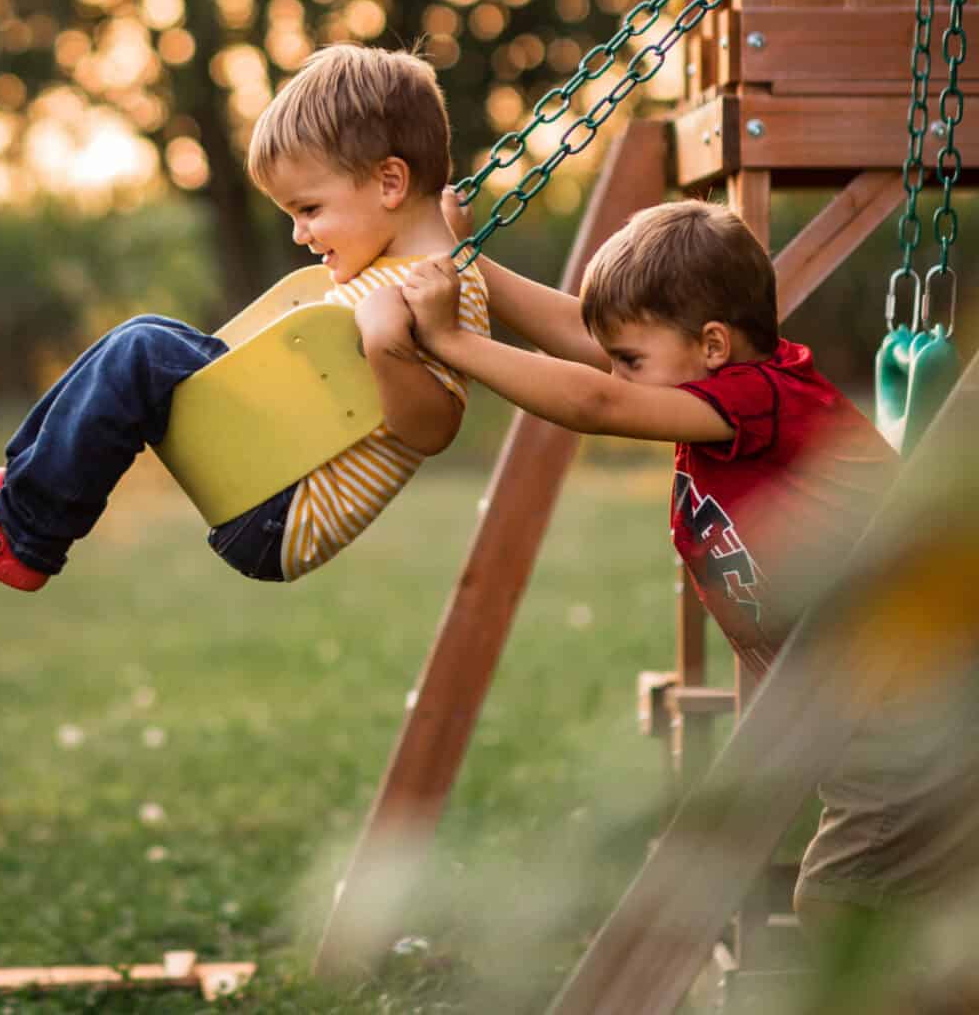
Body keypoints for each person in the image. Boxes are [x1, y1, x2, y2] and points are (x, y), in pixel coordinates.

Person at [400, 195, 979, 930]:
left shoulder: (764, 399)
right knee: (891, 918)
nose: (616, 372)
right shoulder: (711, 386)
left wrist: (453, 342)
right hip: (865, 716)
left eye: (630, 361)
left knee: (846, 908)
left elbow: (598, 403)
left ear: (710, 345)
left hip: (908, 712)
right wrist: (474, 267)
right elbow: (589, 345)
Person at [0, 44, 488, 593]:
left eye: (309, 209)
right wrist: (441, 222)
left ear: (390, 182)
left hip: (278, 510)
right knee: (145, 336)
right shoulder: (410, 267)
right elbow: (427, 229)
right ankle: (22, 484)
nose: (299, 232)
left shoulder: (430, 291)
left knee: (142, 352)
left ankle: (24, 535)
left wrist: (391, 343)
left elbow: (433, 428)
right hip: (269, 473)